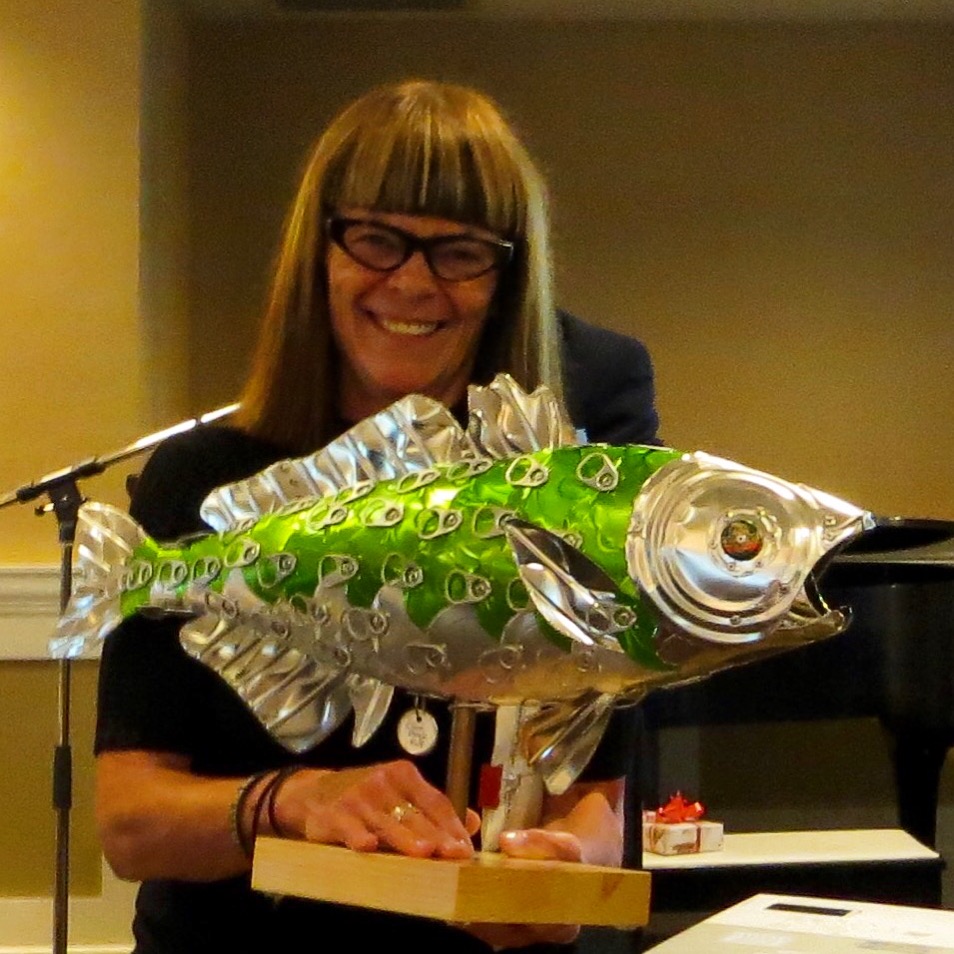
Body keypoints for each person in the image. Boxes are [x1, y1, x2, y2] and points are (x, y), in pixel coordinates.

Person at [94, 79, 660, 953]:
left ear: (507, 278)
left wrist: (564, 866)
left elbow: (595, 805)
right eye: (377, 239)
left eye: (460, 252)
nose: (413, 282)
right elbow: (131, 823)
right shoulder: (199, 483)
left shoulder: (564, 503)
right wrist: (292, 800)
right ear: (319, 251)